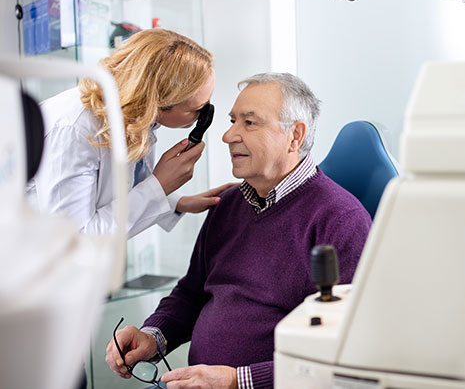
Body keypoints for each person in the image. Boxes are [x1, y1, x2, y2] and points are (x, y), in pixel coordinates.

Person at [105, 73, 372, 388]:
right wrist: (154, 336)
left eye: (249, 123)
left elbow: (344, 350)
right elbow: (191, 294)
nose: (228, 135)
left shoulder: (339, 221)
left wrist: (238, 381)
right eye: (233, 121)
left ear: (295, 136)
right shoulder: (228, 204)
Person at [27, 28, 232, 239]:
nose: (203, 116)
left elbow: (127, 183)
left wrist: (179, 202)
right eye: (198, 109)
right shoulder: (74, 130)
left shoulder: (134, 115)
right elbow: (72, 242)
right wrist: (160, 186)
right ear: (159, 105)